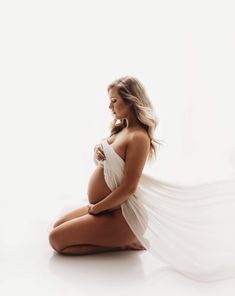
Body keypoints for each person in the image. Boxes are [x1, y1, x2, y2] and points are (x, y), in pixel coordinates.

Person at [49, 76, 235, 282]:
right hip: (107, 208)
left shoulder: (139, 137)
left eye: (114, 101)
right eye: (109, 101)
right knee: (58, 225)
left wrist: (97, 209)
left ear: (130, 101)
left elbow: (129, 186)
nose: (110, 107)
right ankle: (114, 239)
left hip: (123, 215)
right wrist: (99, 153)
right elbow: (111, 167)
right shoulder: (122, 129)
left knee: (56, 241)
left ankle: (125, 243)